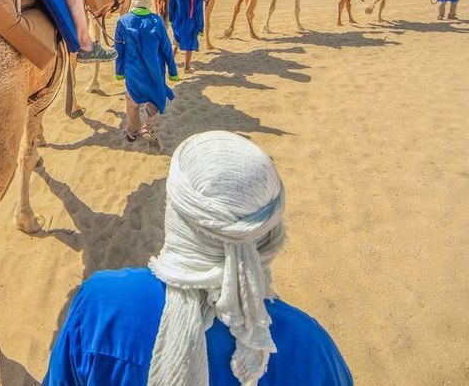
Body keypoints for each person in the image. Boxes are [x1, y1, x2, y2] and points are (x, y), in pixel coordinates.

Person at [43, 131, 354, 386]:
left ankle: (83, 50)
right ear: (270, 231)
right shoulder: (313, 348)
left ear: (175, 218)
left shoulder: (100, 304)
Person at [113, 0, 178, 149]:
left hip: (133, 71)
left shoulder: (123, 21)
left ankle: (132, 133)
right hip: (155, 71)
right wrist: (173, 71)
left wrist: (119, 70)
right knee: (156, 98)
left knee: (132, 103)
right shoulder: (156, 21)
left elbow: (118, 48)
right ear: (148, 2)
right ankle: (147, 127)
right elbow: (166, 48)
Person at [168, 0, 204, 71]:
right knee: (190, 44)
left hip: (177, 21)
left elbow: (171, 5)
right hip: (191, 23)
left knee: (175, 43)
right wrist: (201, 27)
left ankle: (170, 67)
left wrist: (171, 19)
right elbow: (199, 10)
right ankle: (187, 67)